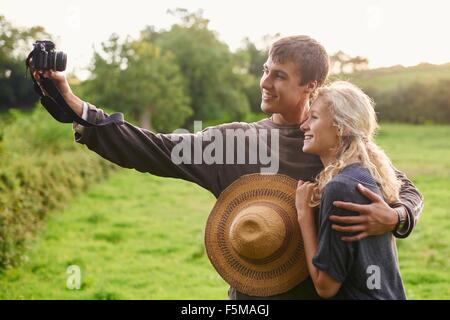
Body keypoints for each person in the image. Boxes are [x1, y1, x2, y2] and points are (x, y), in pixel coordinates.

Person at [33, 35, 423, 300]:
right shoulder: (233, 141)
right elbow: (153, 149)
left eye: (279, 75)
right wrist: (72, 103)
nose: (265, 82)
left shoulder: (338, 145)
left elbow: (405, 190)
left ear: (311, 86)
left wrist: (397, 217)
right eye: (266, 70)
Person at [296, 81, 408, 299]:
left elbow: (325, 286)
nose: (304, 125)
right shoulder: (369, 174)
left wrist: (303, 214)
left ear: (343, 126)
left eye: (314, 117)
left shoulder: (341, 187)